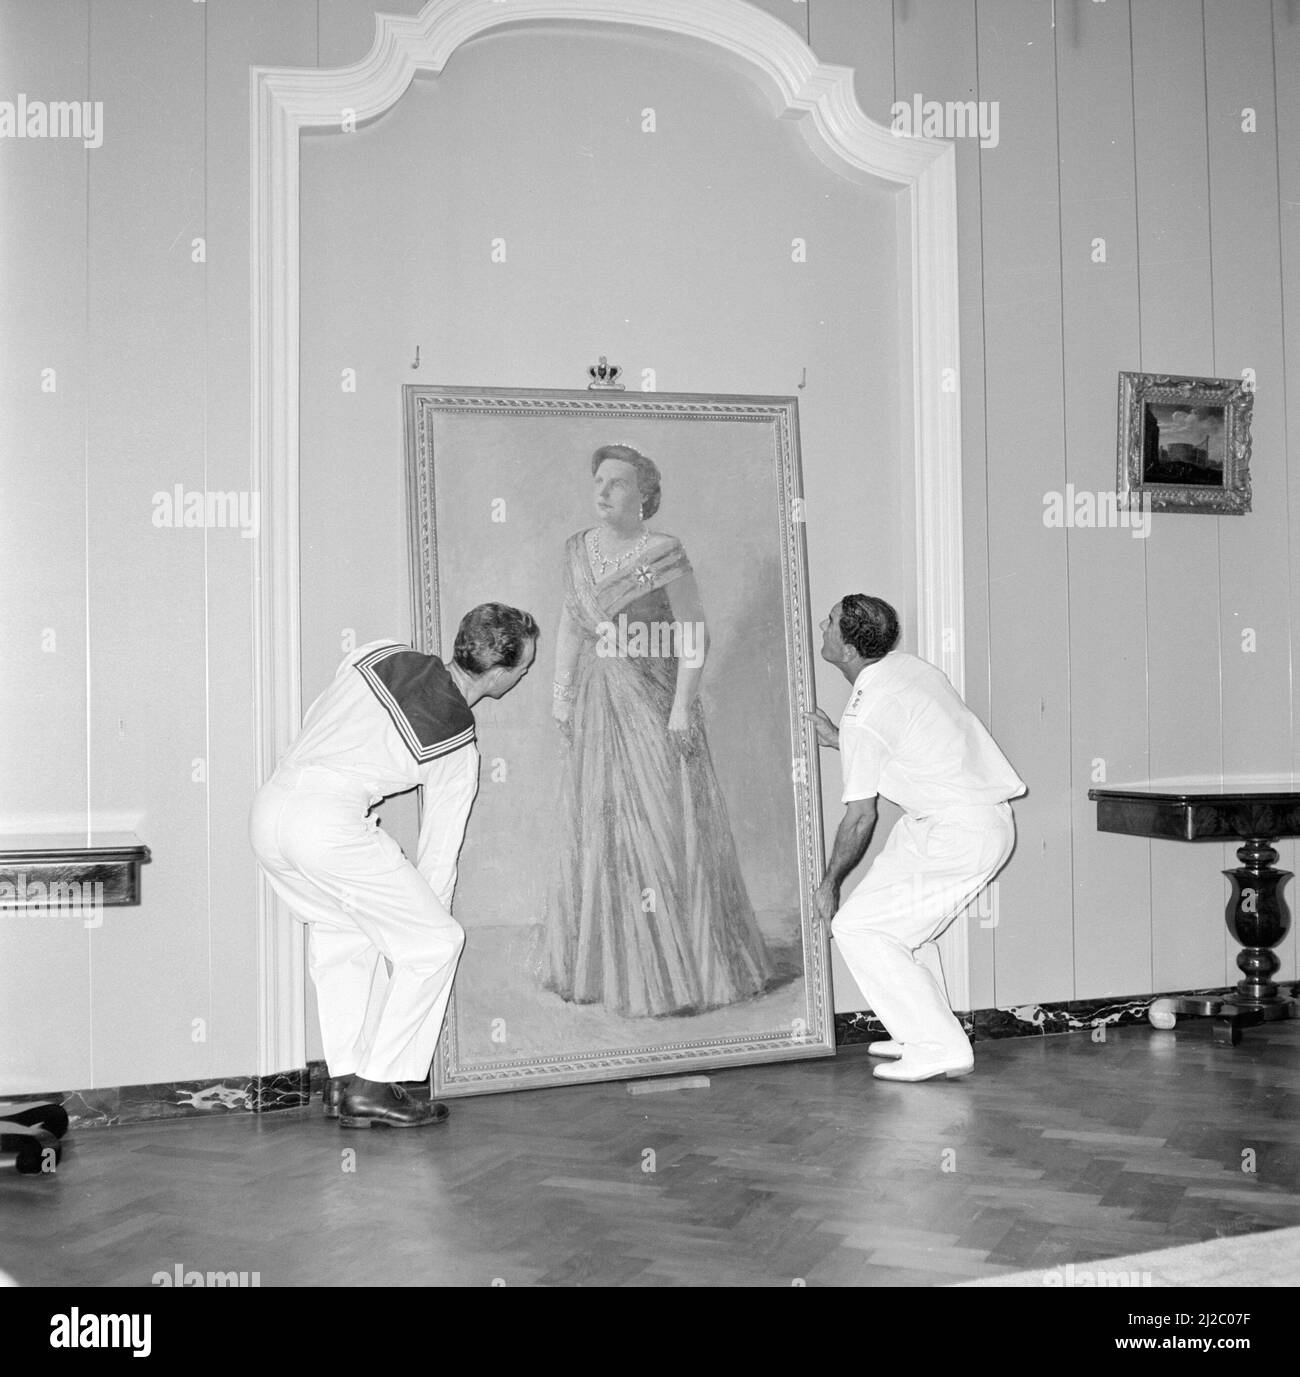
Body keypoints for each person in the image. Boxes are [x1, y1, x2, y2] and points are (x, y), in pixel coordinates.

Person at [250, 603, 538, 1127]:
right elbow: (438, 860)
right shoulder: (457, 744)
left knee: (342, 932)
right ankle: (377, 1086)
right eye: (524, 668)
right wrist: (427, 921)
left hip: (271, 808)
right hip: (327, 823)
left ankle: (345, 1079)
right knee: (437, 942)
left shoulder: (378, 652)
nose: (523, 676)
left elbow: (339, 712)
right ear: (499, 675)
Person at [543, 443, 771, 1017]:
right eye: (598, 480)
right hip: (598, 702)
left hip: (653, 696)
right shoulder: (578, 551)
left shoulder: (665, 552)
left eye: (617, 483)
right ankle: (604, 965)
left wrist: (680, 709)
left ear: (644, 494)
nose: (602, 491)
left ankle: (670, 968)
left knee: (658, 819)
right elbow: (571, 627)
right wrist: (562, 696)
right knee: (601, 820)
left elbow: (694, 636)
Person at [806, 595, 1024, 1082]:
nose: (823, 625)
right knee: (901, 931)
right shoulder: (907, 668)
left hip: (957, 831)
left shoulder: (868, 709)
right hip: (960, 821)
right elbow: (910, 742)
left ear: (846, 648)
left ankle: (938, 1046)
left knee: (859, 928)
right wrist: (839, 737)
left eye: (830, 623)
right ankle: (920, 1033)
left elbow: (861, 817)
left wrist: (830, 883)